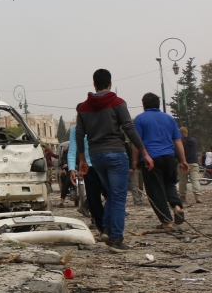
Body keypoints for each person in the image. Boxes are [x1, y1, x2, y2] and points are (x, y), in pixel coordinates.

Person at [75, 69, 147, 250]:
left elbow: (79, 134)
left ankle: (106, 228)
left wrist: (82, 159)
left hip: (96, 156)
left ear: (94, 84)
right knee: (118, 195)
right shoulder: (118, 103)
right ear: (110, 84)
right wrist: (144, 152)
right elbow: (129, 129)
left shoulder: (83, 107)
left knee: (112, 193)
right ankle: (116, 237)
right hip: (116, 153)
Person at [134, 94, 189, 228]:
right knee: (169, 185)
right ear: (158, 104)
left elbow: (137, 142)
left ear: (144, 104)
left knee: (155, 190)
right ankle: (177, 207)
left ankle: (166, 222)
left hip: (150, 159)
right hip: (169, 157)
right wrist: (183, 160)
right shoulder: (169, 119)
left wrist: (135, 159)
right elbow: (177, 140)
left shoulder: (140, 119)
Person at [69, 124, 107, 234]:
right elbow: (72, 150)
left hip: (104, 165)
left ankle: (108, 222)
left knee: (111, 195)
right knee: (93, 199)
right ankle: (102, 228)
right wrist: (72, 168)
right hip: (88, 168)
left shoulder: (100, 122)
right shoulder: (75, 130)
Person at [178, 127, 202, 204]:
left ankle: (183, 197)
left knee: (182, 181)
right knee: (195, 180)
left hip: (182, 163)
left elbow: (176, 152)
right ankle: (197, 195)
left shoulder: (179, 141)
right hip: (194, 163)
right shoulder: (194, 140)